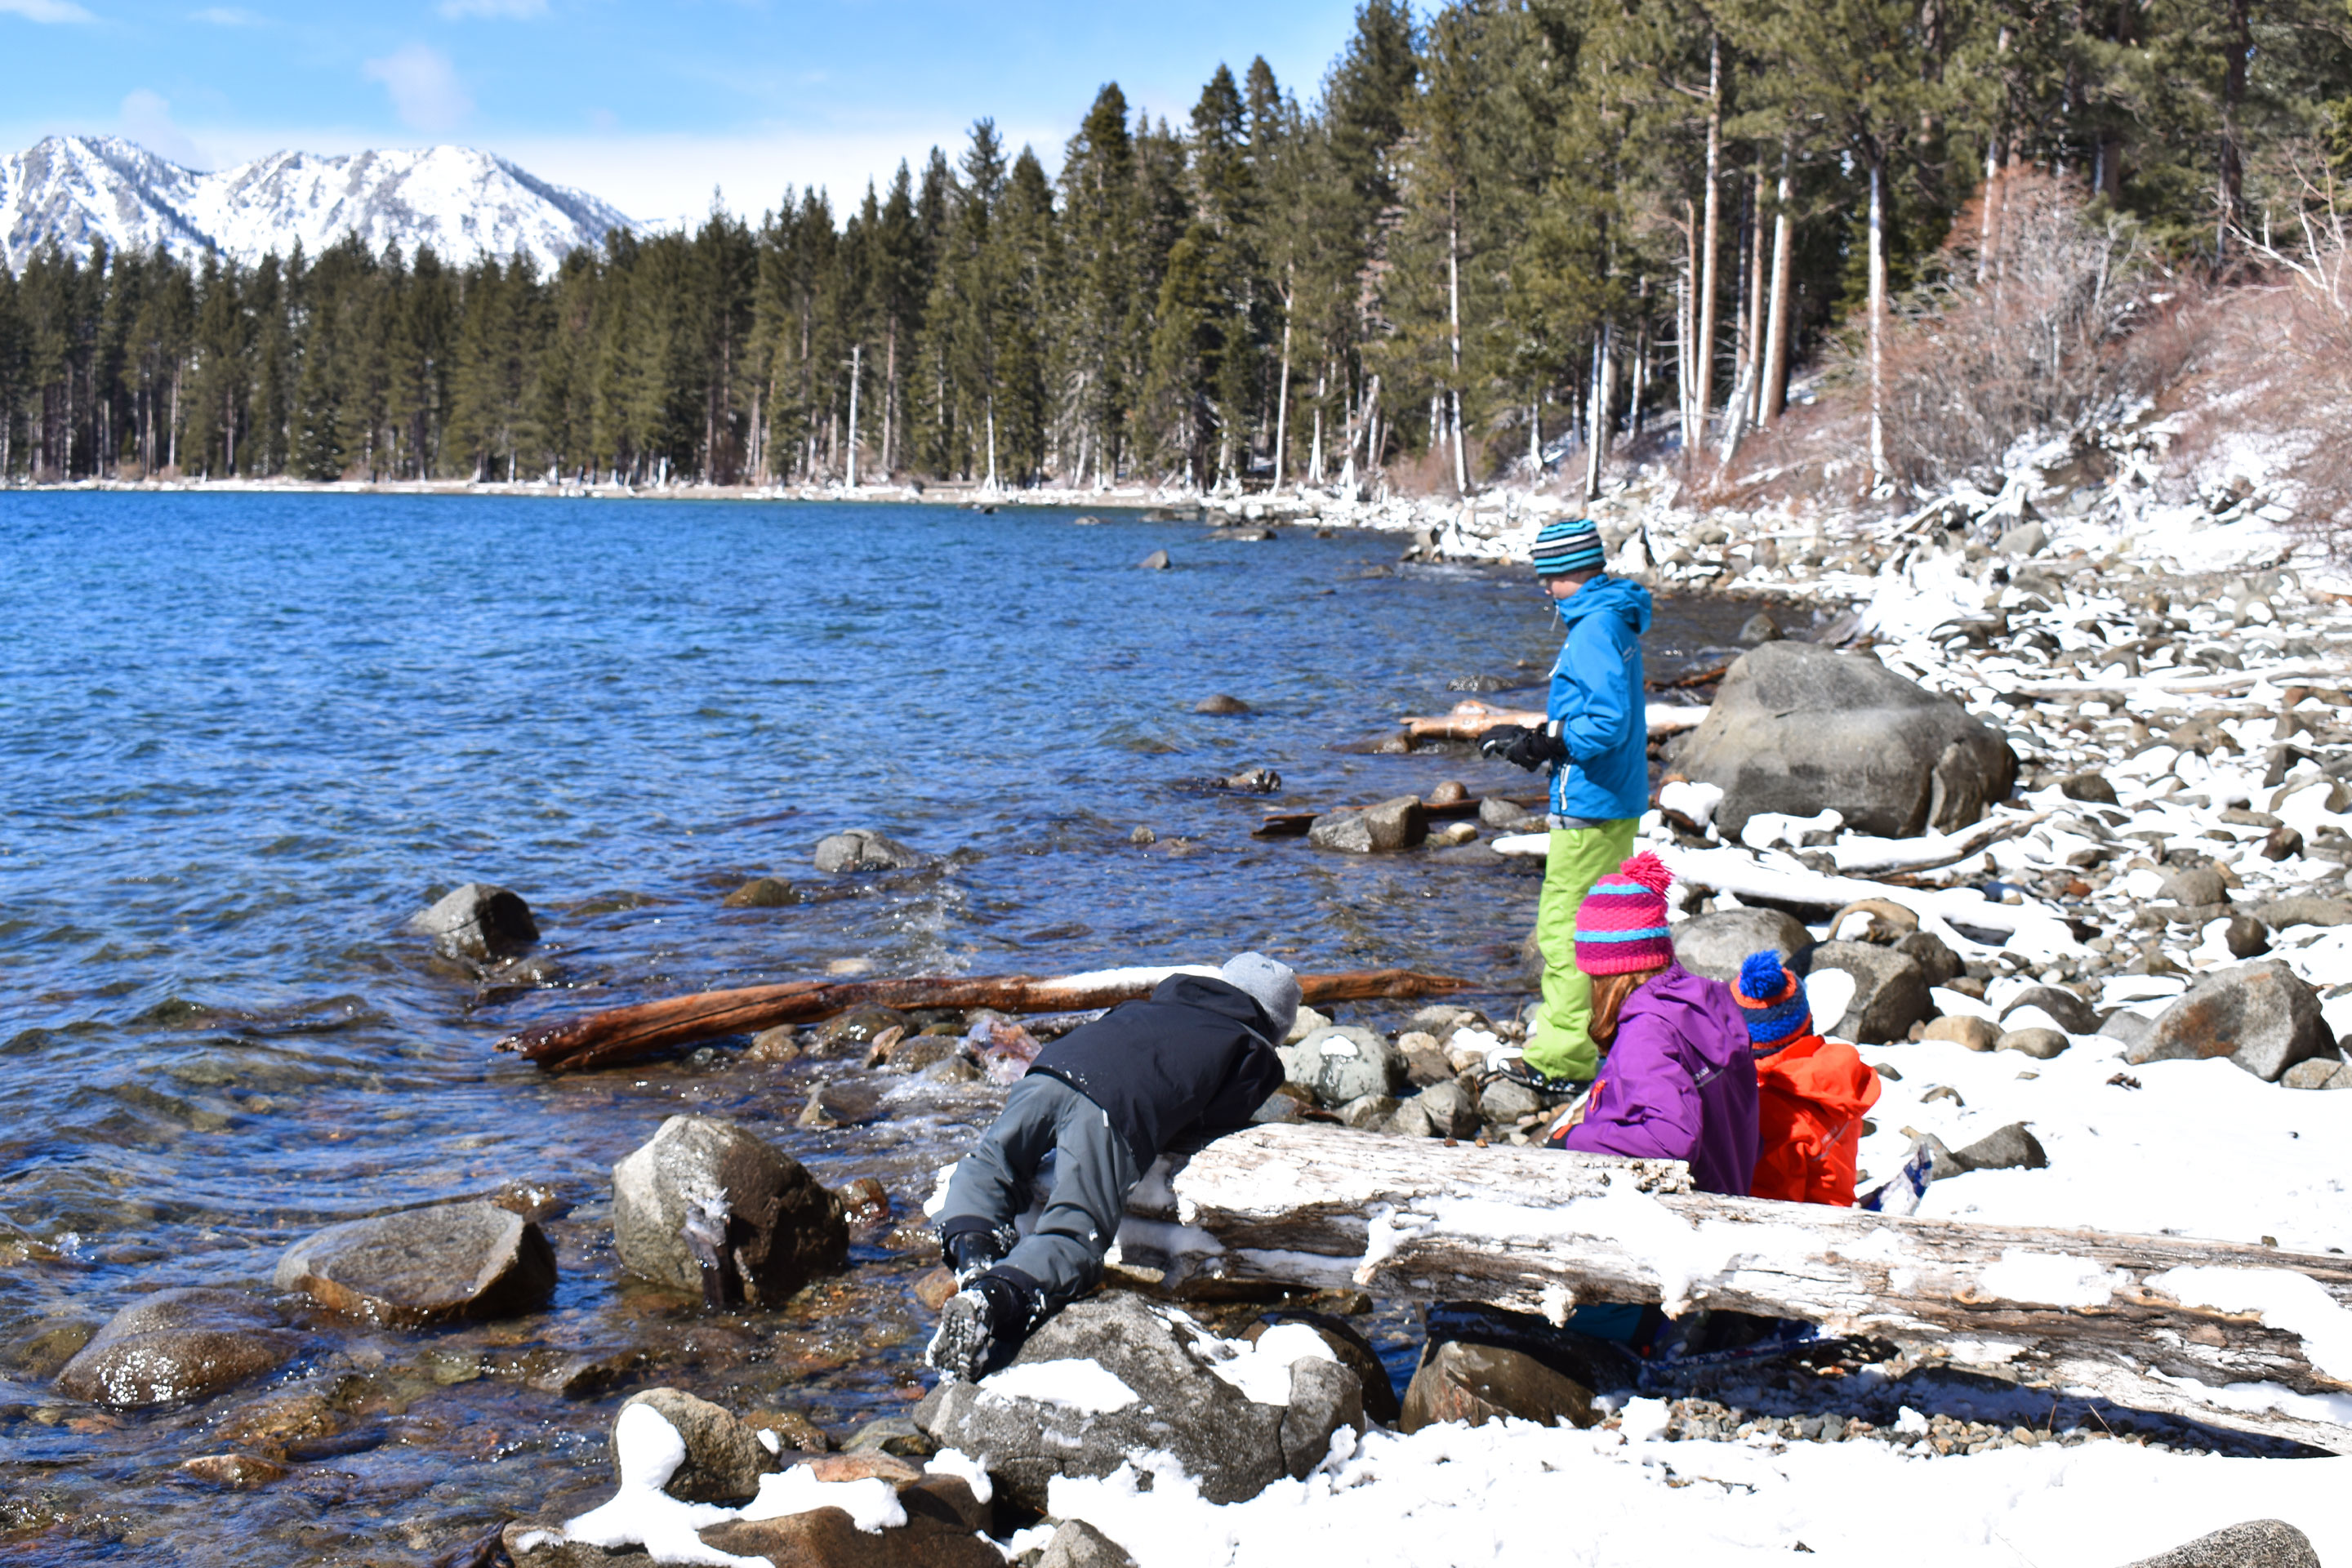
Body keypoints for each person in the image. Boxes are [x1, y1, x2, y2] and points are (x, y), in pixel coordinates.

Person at [924, 953, 1296, 1381]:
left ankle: (973, 1254)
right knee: (1076, 1230)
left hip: (1050, 1070)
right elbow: (1217, 1118)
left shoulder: (1158, 1000)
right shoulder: (1250, 1046)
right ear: (1274, 1024)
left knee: (993, 1161)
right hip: (1112, 1108)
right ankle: (994, 1297)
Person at [1479, 515, 1655, 1092]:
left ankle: (1560, 1061)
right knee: (1608, 927)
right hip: (1614, 796)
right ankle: (1614, 1036)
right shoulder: (1613, 619)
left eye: (1545, 577)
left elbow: (1604, 722)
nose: (1543, 589)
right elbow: (1598, 711)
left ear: (1562, 574)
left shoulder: (1593, 630)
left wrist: (1547, 742)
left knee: (1565, 933)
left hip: (1591, 802)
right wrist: (1539, 733)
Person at [1540, 853, 1760, 1198]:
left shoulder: (1645, 1034)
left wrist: (1574, 1138)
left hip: (1686, 1214)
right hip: (1728, 1186)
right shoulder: (1701, 1003)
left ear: (1607, 972)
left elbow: (1671, 1140)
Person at [1734, 952, 1883, 1207]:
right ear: (1807, 1022)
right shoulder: (1840, 1075)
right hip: (1838, 1204)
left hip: (1813, 1232)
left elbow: (1765, 1206)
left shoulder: (1770, 1115)